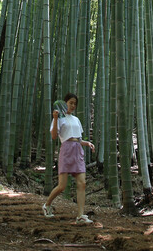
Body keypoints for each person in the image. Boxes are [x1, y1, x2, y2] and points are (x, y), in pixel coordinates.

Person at [43, 93, 95, 224]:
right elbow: (54, 136)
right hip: (66, 150)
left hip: (78, 149)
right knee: (62, 186)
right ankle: (47, 205)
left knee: (82, 183)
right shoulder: (59, 118)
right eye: (70, 103)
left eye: (74, 104)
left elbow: (78, 138)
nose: (72, 106)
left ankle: (80, 215)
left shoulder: (76, 119)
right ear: (64, 103)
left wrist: (87, 143)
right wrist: (55, 119)